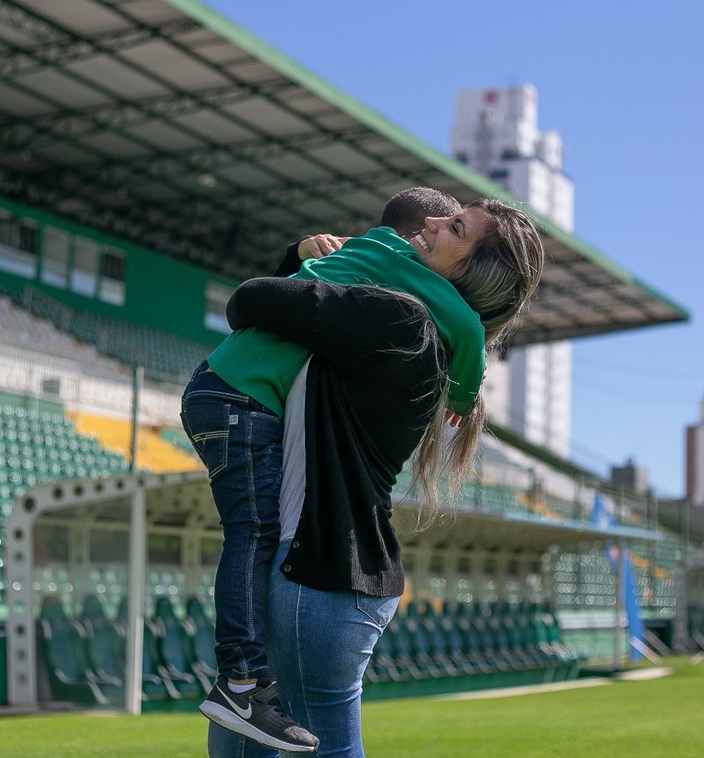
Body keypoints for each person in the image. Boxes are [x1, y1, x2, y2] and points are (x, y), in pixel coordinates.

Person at [206, 197, 545, 757]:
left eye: (456, 227)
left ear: (474, 272)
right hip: (337, 575)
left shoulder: (399, 319)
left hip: (316, 575)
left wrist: (302, 255)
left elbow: (252, 298)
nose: (431, 224)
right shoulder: (428, 335)